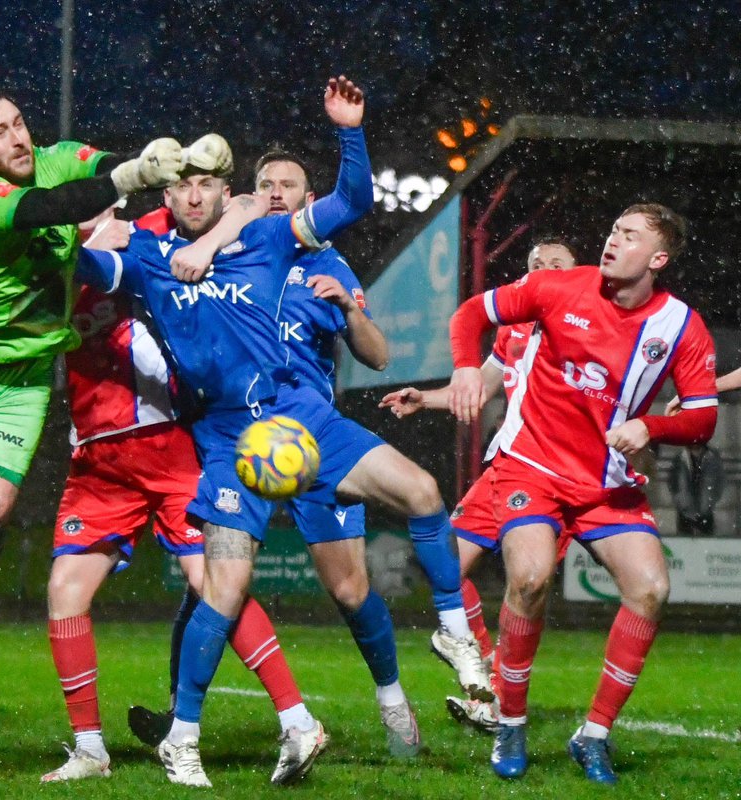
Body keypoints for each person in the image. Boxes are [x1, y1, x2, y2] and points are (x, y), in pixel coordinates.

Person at [78, 75, 491, 787]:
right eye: (183, 186)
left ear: (224, 193)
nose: (196, 195)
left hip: (301, 424)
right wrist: (74, 221)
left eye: (208, 184)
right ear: (168, 196)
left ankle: (452, 636)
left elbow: (353, 202)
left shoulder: (271, 239)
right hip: (228, 441)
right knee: (222, 588)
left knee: (423, 494)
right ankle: (183, 735)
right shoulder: (147, 258)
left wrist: (349, 132)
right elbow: (78, 263)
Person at [0, 89, 229, 703]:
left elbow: (95, 166)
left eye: (19, 123)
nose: (18, 138)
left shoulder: (50, 158)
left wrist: (154, 160)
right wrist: (133, 177)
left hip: (21, 376)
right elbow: (52, 208)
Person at [128, 150, 422, 761]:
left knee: (349, 590)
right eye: (267, 184)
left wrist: (348, 308)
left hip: (306, 445)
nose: (277, 192)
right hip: (236, 441)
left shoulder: (324, 262)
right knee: (212, 582)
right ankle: (181, 718)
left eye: (290, 184)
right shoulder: (225, 252)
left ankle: (391, 696)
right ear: (250, 194)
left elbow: (378, 357)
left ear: (307, 199)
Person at [39, 192, 320, 783]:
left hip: (170, 443)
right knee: (65, 591)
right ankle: (90, 750)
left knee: (214, 582)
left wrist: (223, 227)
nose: (78, 206)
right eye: (69, 198)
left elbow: (239, 204)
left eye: (90, 195)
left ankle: (296, 720)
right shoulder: (53, 260)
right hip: (98, 458)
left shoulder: (146, 234)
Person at [446, 204, 717, 783]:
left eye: (630, 236)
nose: (613, 240)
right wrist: (466, 368)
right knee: (529, 579)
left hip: (605, 483)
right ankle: (510, 722)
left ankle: (593, 735)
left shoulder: (680, 327)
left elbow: (702, 418)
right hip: (531, 466)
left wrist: (652, 427)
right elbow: (471, 313)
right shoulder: (557, 287)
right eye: (613, 228)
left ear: (658, 259)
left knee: (651, 589)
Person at [379, 237, 577, 731]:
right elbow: (480, 387)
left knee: (526, 587)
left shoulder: (588, 326)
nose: (544, 270)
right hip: (507, 466)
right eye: (536, 264)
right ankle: (483, 666)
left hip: (560, 476)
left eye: (557, 264)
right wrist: (425, 399)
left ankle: (502, 700)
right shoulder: (514, 327)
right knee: (445, 563)